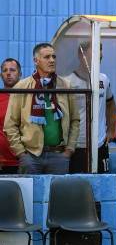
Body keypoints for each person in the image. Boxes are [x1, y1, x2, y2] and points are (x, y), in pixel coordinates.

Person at [4, 43, 79, 174]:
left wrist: (69, 150)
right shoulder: (22, 87)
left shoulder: (66, 85)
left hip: (59, 155)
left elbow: (75, 120)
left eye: (54, 57)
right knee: (30, 195)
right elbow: (10, 124)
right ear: (36, 60)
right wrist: (21, 153)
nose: (52, 60)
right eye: (47, 57)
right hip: (31, 156)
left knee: (58, 194)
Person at [66, 41, 116, 174]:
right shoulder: (68, 81)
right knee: (77, 187)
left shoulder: (103, 79)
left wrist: (111, 130)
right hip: (76, 145)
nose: (100, 54)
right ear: (81, 54)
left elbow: (110, 103)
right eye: (95, 50)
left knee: (101, 187)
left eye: (100, 50)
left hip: (99, 144)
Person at [0, 58, 21, 173]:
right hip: (2, 162)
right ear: (1, 75)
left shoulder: (27, 97)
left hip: (23, 160)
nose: (8, 73)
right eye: (5, 70)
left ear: (20, 74)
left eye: (12, 70)